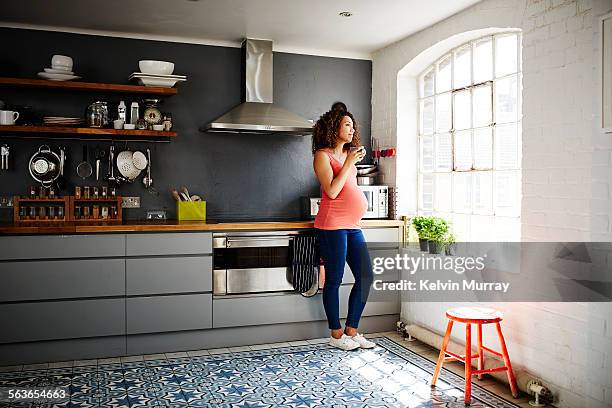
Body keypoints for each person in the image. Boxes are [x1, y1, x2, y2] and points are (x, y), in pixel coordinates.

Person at [312, 102, 375, 351]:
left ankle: (352, 330)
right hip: (332, 226)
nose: (351, 129)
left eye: (352, 125)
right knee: (335, 280)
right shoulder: (322, 155)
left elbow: (351, 189)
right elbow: (332, 190)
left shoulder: (350, 156)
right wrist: (349, 162)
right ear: (334, 127)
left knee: (366, 276)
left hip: (352, 225)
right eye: (346, 124)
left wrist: (350, 161)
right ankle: (336, 335)